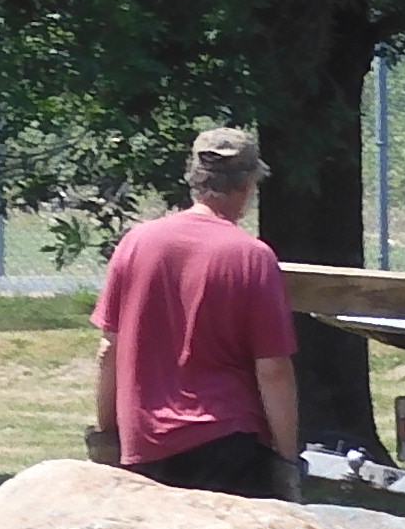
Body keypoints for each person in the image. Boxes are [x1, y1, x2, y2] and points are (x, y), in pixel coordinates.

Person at [92, 126, 303, 498]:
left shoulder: (136, 242)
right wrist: (287, 462)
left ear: (193, 178)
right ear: (248, 184)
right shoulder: (251, 256)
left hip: (145, 443)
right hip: (226, 443)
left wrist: (107, 435)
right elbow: (272, 369)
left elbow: (109, 350)